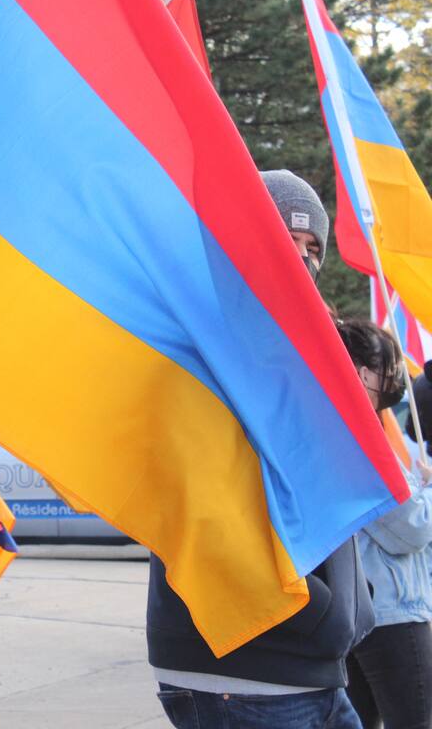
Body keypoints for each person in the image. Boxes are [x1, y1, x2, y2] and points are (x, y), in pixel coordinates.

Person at [149, 170, 374, 729]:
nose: (302, 257)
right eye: (284, 235)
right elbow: (212, 509)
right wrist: (327, 613)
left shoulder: (297, 354)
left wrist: (353, 604)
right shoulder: (202, 345)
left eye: (313, 247)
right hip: (240, 672)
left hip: (310, 667)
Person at [337, 319, 432, 729]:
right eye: (386, 369)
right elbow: (411, 528)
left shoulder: (331, 428)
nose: (393, 380)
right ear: (361, 372)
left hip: (356, 612)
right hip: (391, 614)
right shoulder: (359, 441)